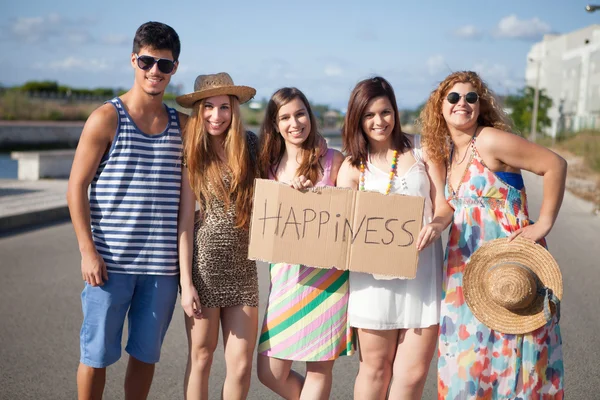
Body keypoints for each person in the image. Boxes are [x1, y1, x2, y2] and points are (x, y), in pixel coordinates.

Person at [419, 70, 566, 399]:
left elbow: (554, 164)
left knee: (513, 354)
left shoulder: (488, 140)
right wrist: (436, 225)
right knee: (466, 359)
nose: (463, 103)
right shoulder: (449, 153)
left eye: (471, 97)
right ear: (439, 107)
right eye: (453, 97)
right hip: (464, 268)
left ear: (480, 105)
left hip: (509, 262)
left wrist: (543, 223)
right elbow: (448, 208)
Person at [66, 21, 184, 400]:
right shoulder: (106, 118)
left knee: (146, 356)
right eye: (148, 61)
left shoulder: (182, 126)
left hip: (162, 268)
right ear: (134, 60)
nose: (155, 71)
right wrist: (87, 250)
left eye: (164, 65)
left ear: (174, 69)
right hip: (110, 263)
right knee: (96, 355)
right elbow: (76, 186)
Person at [336, 76, 451, 400]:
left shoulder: (422, 149)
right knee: (375, 370)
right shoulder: (352, 166)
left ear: (395, 111)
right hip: (373, 283)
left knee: (412, 376)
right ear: (357, 119)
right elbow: (340, 221)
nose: (378, 121)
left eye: (385, 112)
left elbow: (443, 204)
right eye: (369, 115)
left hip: (422, 278)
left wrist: (438, 225)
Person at [255, 87, 352, 400]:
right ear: (274, 124)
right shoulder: (267, 168)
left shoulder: (334, 160)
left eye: (300, 113)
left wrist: (316, 196)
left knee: (319, 368)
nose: (294, 122)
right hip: (284, 280)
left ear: (310, 116)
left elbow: (353, 214)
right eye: (285, 117)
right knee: (269, 372)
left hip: (328, 280)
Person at [176, 72, 259, 400]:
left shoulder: (251, 144)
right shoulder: (193, 151)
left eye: (223, 107)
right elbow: (185, 219)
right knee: (201, 356)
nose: (216, 115)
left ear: (234, 109)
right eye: (208, 107)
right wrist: (186, 282)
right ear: (198, 110)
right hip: (204, 268)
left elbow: (277, 186)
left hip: (243, 268)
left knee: (240, 365)